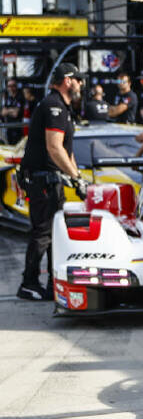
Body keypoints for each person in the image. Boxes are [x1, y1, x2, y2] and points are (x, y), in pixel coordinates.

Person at [16, 64, 87, 301]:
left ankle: (51, 281)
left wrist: (78, 177)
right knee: (43, 232)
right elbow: (54, 148)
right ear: (68, 80)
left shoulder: (62, 108)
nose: (81, 85)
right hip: (42, 180)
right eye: (78, 80)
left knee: (53, 232)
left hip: (50, 180)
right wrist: (75, 178)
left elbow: (66, 151)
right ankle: (29, 282)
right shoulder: (54, 105)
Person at [2, 78, 26, 143]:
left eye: (13, 86)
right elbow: (3, 112)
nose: (11, 88)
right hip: (9, 128)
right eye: (9, 86)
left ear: (16, 86)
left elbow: (16, 114)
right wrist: (12, 110)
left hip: (18, 128)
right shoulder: (8, 98)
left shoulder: (20, 97)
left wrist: (8, 110)